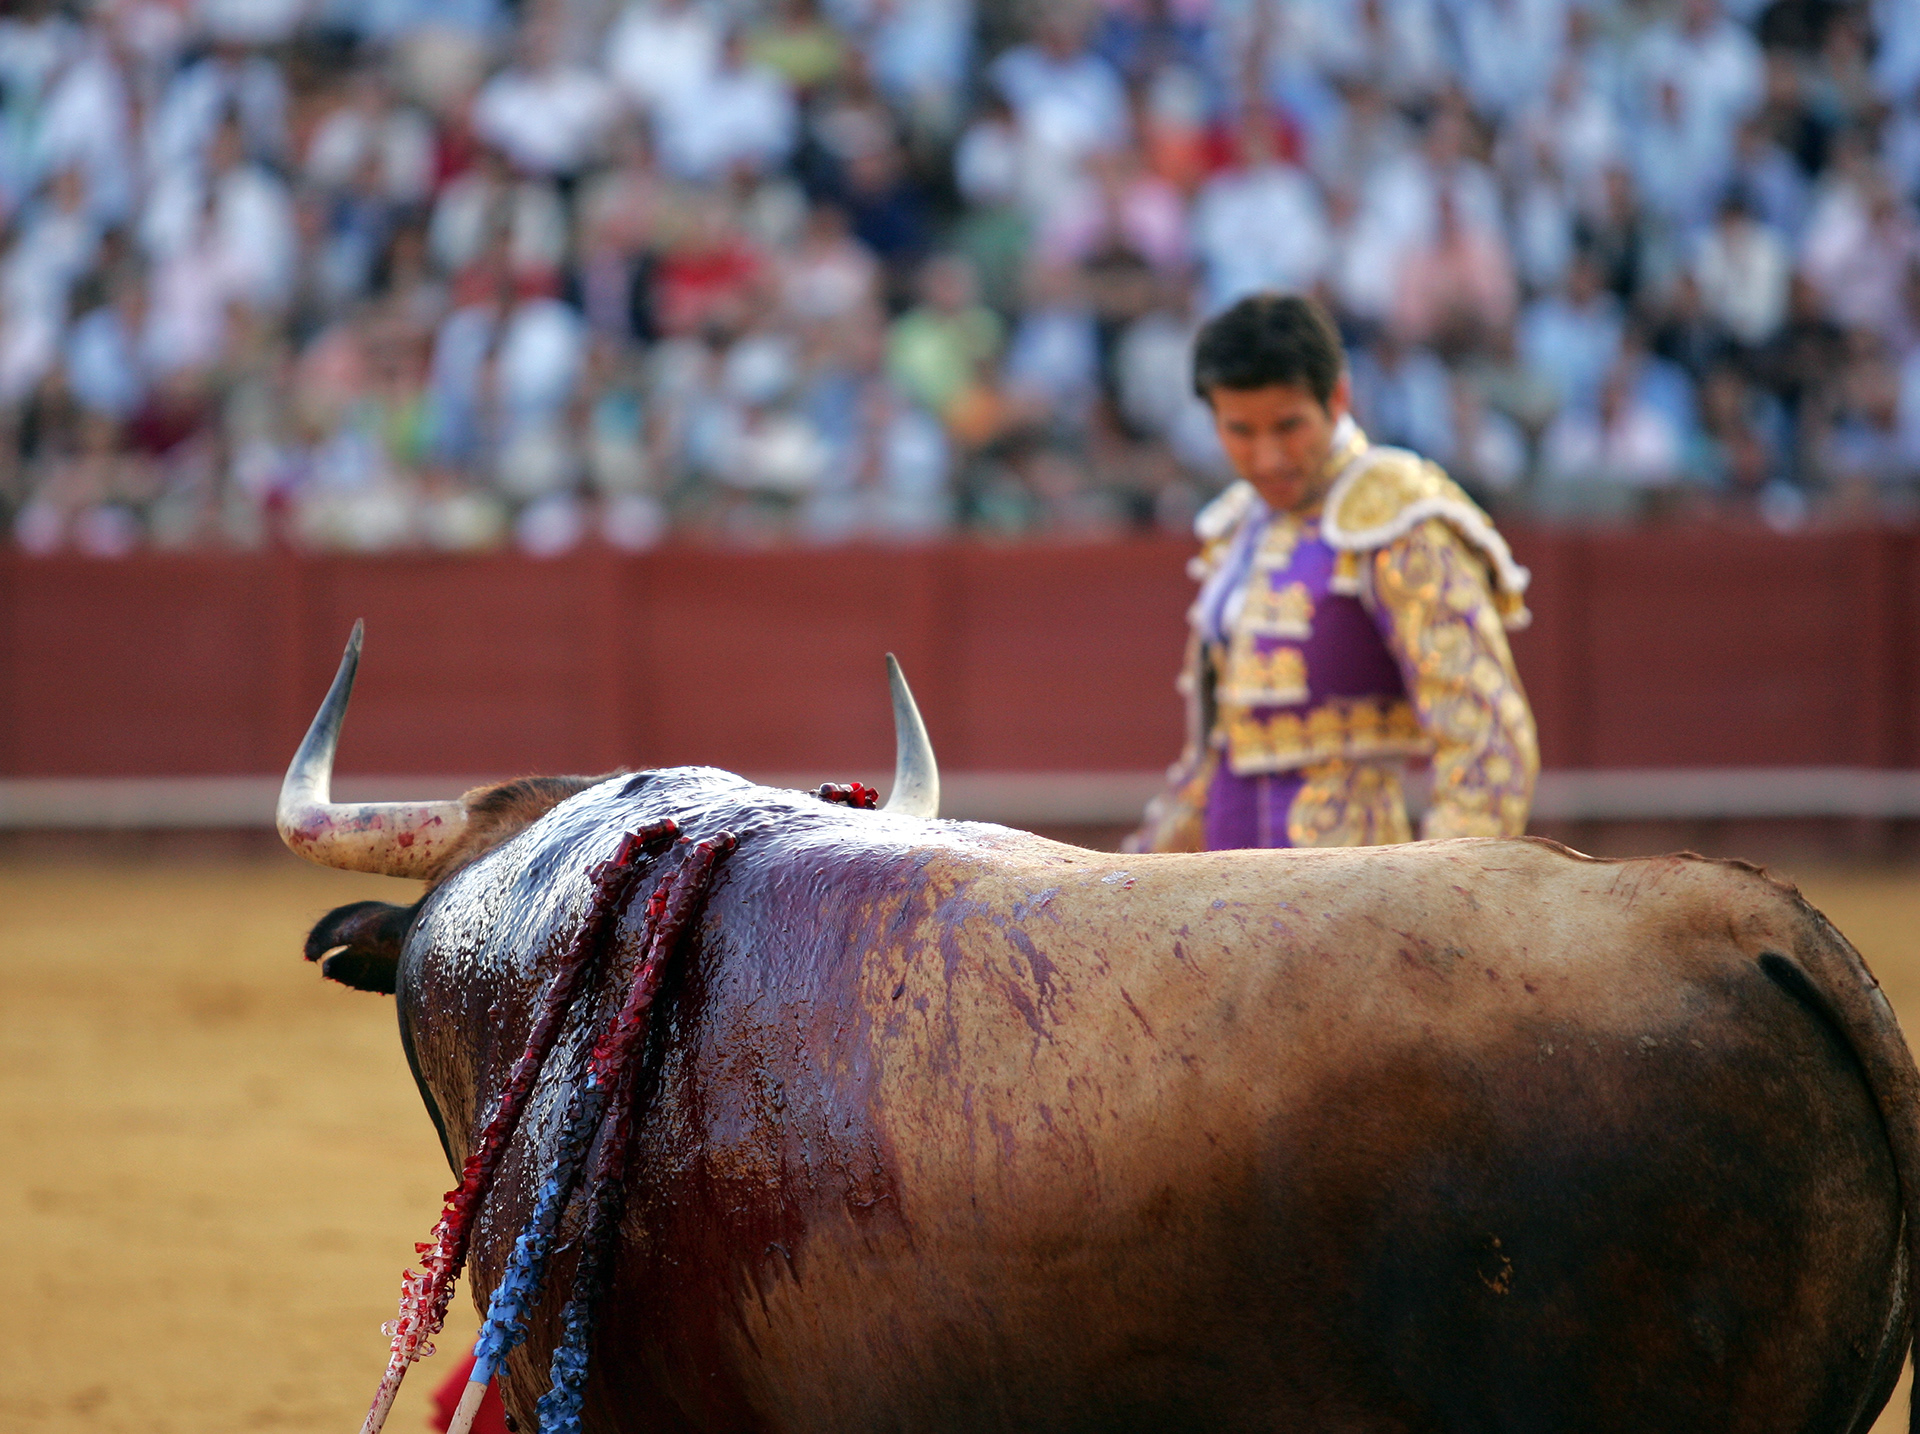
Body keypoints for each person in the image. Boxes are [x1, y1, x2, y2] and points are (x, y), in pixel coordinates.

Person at [1128, 292, 1537, 852]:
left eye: (1289, 426)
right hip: (1222, 878)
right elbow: (1211, 756)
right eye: (1240, 431)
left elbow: (1486, 741)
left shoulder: (1397, 516)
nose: (1268, 458)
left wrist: (1439, 891)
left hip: (1350, 887)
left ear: (1338, 397)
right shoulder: (1239, 526)